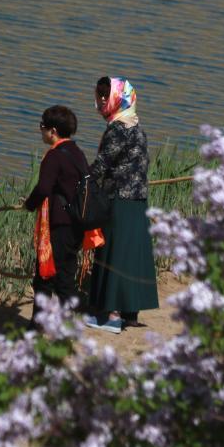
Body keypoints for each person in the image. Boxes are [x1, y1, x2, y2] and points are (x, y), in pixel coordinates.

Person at [84, 76, 159, 333]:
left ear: (115, 99)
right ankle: (130, 312)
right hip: (138, 199)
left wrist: (79, 181)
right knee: (133, 255)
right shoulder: (137, 127)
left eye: (103, 96)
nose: (99, 101)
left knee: (113, 254)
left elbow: (102, 165)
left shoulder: (117, 129)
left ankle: (111, 316)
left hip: (119, 199)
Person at [23, 105, 89, 327]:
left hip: (60, 224)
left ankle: (38, 326)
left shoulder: (54, 156)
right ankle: (67, 320)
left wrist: (28, 205)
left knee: (47, 276)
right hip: (77, 223)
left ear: (52, 131)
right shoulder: (77, 152)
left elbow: (43, 189)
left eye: (42, 127)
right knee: (66, 274)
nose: (40, 131)